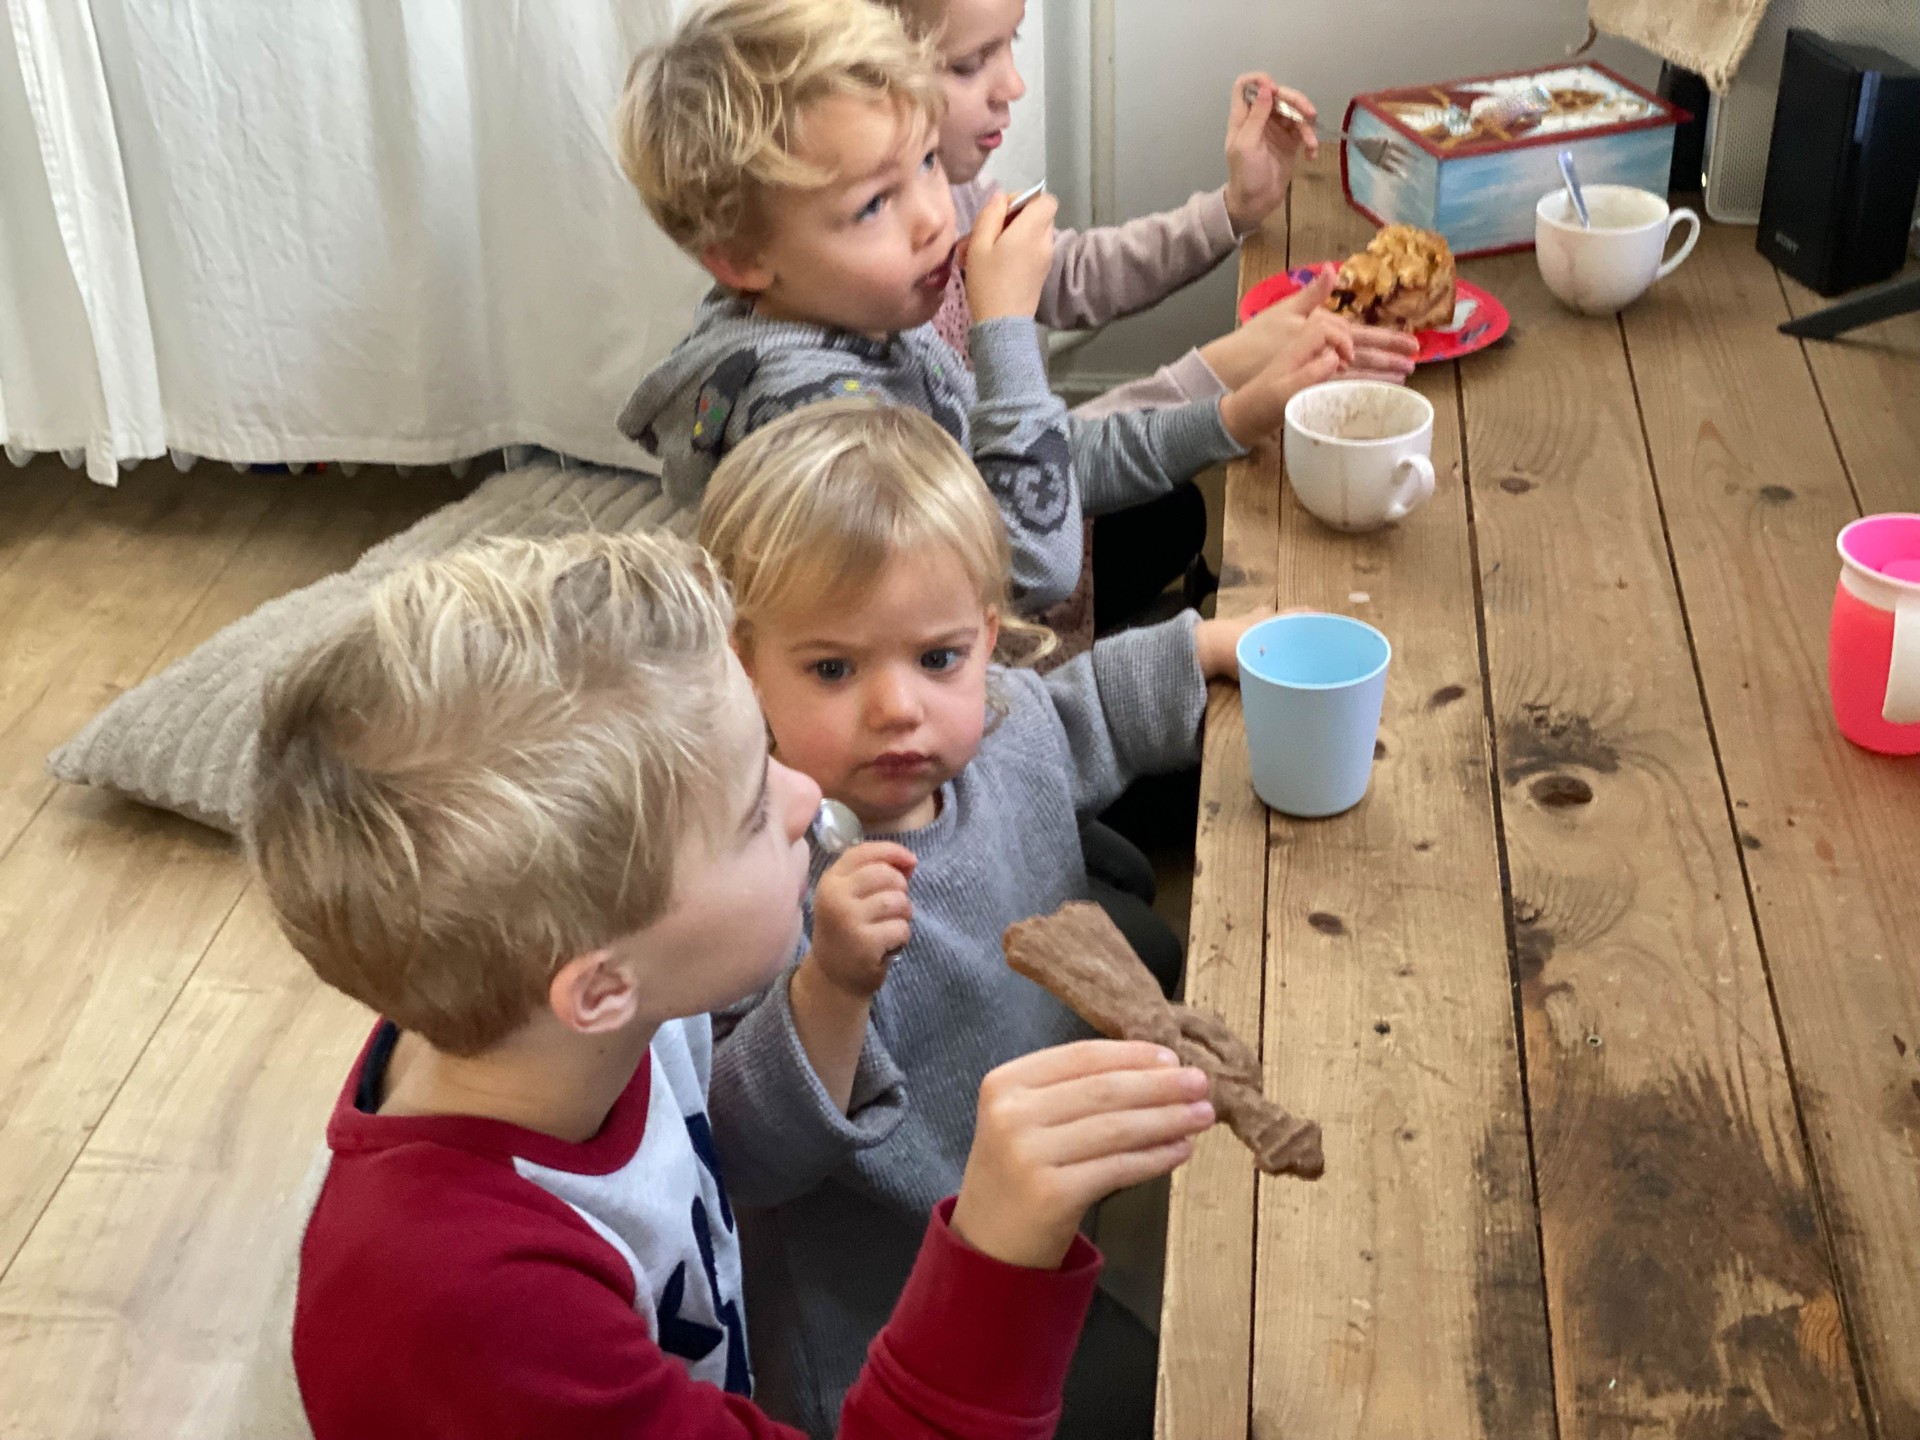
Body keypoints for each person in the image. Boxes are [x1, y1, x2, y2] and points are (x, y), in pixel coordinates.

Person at [246, 529, 1218, 1439]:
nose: (807, 798)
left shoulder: (566, 1013)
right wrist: (995, 1253)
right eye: (755, 808)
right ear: (598, 990)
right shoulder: (464, 1315)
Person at [697, 400, 1273, 1439]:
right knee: (1167, 1385)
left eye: (939, 657)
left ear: (988, 633)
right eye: (833, 669)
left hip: (1036, 1195)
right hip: (895, 1322)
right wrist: (826, 988)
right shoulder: (754, 877)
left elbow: (1078, 709)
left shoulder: (997, 735)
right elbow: (749, 1157)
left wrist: (1219, 645)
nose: (898, 708)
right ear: (744, 664)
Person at [612, 0, 1355, 618]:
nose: (935, 217)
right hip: (954, 696)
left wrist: (1233, 413)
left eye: (928, 162)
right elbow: (1027, 567)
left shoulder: (883, 317)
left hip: (993, 606)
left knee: (1178, 516)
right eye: (874, 204)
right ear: (741, 262)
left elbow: (1054, 455)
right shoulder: (814, 420)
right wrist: (1003, 332)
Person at [886, 0, 1419, 630]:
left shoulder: (939, 188)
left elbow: (1071, 275)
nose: (1015, 86)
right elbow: (1016, 520)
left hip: (1031, 498)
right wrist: (1222, 379)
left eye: (1012, 45)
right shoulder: (881, 311)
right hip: (999, 602)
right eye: (970, 63)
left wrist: (1233, 210)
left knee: (1176, 514)